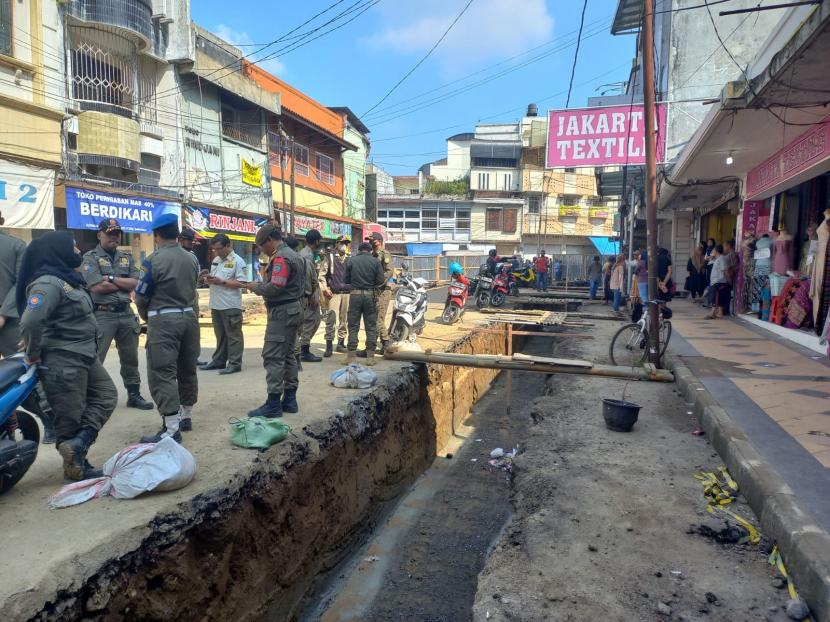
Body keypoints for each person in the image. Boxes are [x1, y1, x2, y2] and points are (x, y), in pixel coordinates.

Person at [17, 231, 117, 480]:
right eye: (73, 247)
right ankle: (76, 467)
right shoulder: (48, 282)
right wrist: (32, 353)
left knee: (107, 396)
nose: (78, 251)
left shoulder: (68, 280)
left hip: (84, 355)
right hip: (63, 359)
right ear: (58, 251)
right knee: (70, 416)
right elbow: (31, 321)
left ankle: (77, 446)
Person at [135, 214, 201, 441]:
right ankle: (187, 416)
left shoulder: (153, 260)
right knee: (187, 368)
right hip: (189, 319)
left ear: (156, 234)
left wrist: (147, 317)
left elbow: (141, 296)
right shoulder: (192, 259)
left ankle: (171, 429)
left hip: (164, 322)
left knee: (162, 372)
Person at [81, 218, 152, 410]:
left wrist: (111, 278)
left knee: (130, 358)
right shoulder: (90, 258)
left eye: (117, 233)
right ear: (99, 234)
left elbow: (136, 283)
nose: (114, 237)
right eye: (109, 233)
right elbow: (96, 286)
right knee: (96, 358)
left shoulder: (125, 258)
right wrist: (122, 282)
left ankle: (134, 394)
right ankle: (90, 399)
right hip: (103, 315)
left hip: (126, 314)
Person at [246, 224, 304, 418]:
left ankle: (273, 403)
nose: (261, 250)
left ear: (270, 240)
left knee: (273, 356)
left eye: (262, 246)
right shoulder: (294, 254)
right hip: (293, 309)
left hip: (282, 312)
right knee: (288, 355)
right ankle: (290, 399)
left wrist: (257, 287)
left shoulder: (281, 257)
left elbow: (276, 287)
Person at [200, 233, 247, 375]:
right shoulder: (216, 260)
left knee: (233, 336)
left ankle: (234, 363)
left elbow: (242, 283)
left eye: (219, 248)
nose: (217, 252)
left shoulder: (238, 261)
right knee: (220, 336)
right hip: (216, 304)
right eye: (214, 249)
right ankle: (219, 360)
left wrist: (223, 282)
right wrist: (207, 277)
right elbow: (215, 278)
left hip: (230, 305)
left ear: (228, 245)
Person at [345, 241, 385, 365]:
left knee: (353, 326)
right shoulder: (376, 262)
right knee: (371, 327)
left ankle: (351, 357)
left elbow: (345, 279)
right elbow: (380, 281)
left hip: (355, 296)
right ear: (370, 250)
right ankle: (370, 358)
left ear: (360, 250)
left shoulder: (351, 261)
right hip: (370, 297)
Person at [179, 226, 207, 366]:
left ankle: (193, 357)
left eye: (192, 241)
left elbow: (193, 279)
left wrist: (200, 278)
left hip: (191, 296)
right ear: (180, 240)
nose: (191, 243)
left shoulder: (192, 256)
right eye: (188, 240)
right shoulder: (175, 256)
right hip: (177, 298)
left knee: (193, 329)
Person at [296, 229, 324, 364]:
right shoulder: (306, 256)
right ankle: (303, 350)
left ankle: (302, 347)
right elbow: (307, 278)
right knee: (310, 322)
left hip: (309, 293)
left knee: (315, 321)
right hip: (308, 295)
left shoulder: (307, 254)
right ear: (317, 241)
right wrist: (311, 295)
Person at [0, 211, 26, 356]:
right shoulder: (17, 245)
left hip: (9, 319)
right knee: (22, 369)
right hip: (9, 319)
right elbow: (21, 282)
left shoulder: (16, 246)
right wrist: (2, 315)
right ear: (2, 220)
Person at [322, 235, 351, 356]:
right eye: (342, 243)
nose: (344, 245)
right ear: (337, 244)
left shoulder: (350, 259)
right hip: (334, 293)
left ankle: (340, 343)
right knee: (331, 319)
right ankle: (329, 345)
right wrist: (325, 288)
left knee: (344, 320)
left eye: (346, 243)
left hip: (347, 293)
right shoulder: (330, 258)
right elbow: (322, 275)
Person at [368, 232, 394, 353]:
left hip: (383, 291)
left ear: (378, 241)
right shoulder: (372, 255)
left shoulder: (384, 254)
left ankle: (386, 342)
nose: (370, 242)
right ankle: (371, 346)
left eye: (372, 240)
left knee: (378, 319)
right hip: (374, 291)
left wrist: (379, 282)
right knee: (373, 319)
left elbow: (389, 271)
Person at [705, 244, 729, 319]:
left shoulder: (721, 258)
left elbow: (724, 270)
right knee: (718, 297)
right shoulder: (717, 259)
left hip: (719, 281)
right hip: (716, 281)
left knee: (715, 297)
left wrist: (729, 280)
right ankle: (719, 313)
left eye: (713, 251)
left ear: (716, 251)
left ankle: (712, 313)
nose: (712, 252)